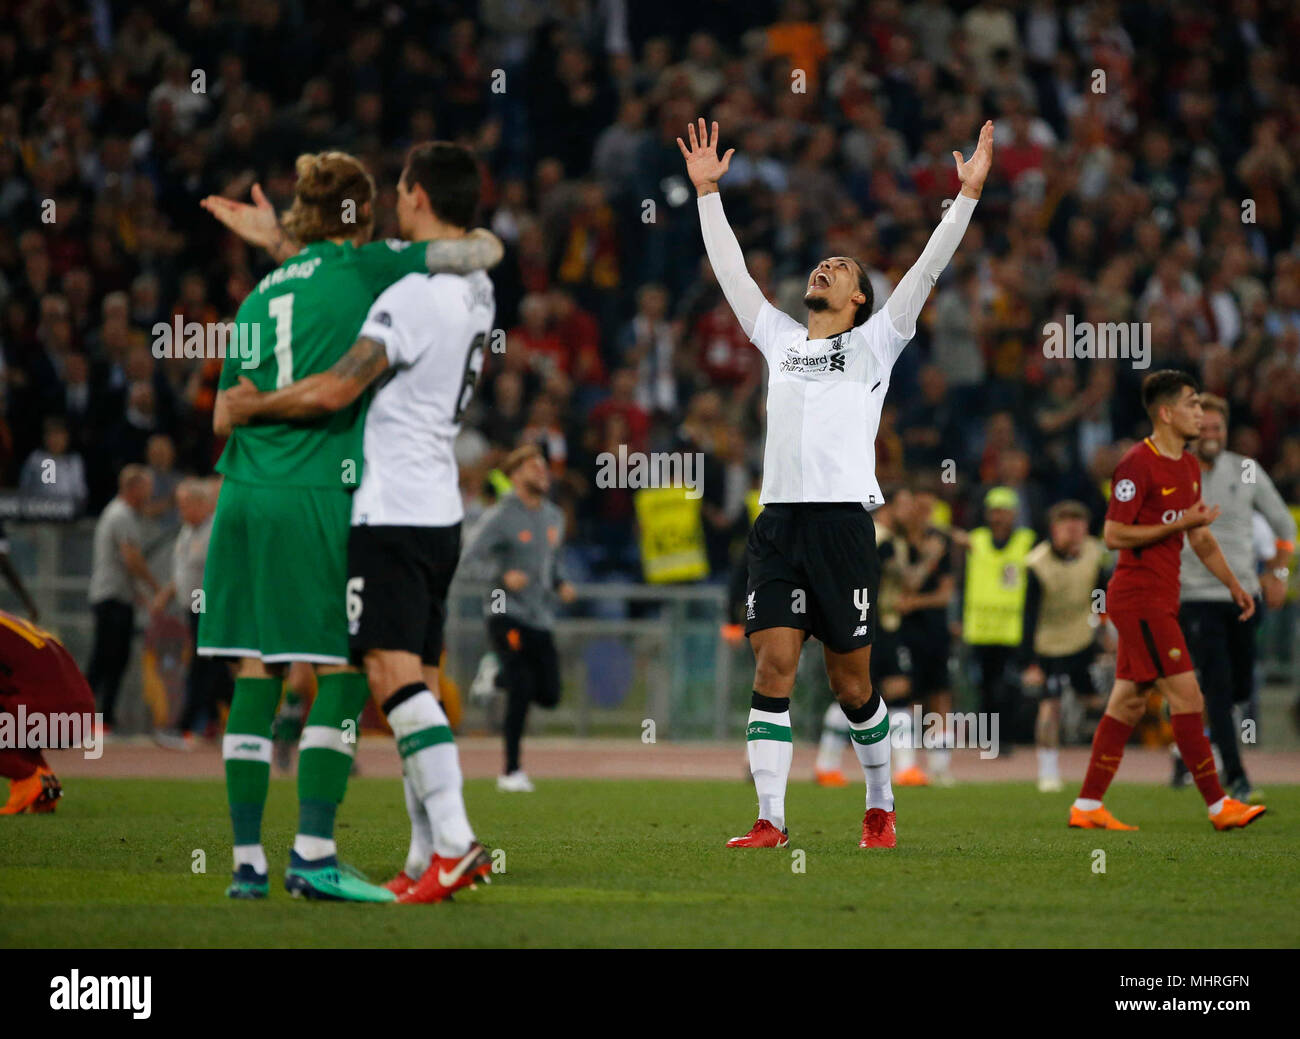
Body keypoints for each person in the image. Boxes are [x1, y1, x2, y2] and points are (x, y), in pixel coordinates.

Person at [198, 149, 504, 901]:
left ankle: (246, 865)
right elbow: (479, 247)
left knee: (254, 671)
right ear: (364, 215)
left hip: (239, 492)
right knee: (346, 671)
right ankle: (315, 851)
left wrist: (280, 244)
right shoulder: (387, 274)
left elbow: (220, 411)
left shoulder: (255, 296)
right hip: (329, 494)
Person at [679, 117, 993, 849]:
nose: (824, 268)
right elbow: (732, 273)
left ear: (860, 299)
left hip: (846, 526)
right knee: (775, 661)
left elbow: (928, 267)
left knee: (854, 686)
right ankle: (770, 819)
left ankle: (880, 800)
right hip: (779, 524)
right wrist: (706, 194)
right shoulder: (780, 339)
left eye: (840, 268)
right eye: (821, 264)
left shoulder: (877, 341)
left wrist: (967, 197)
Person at [1069, 371, 1266, 832]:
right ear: (1166, 412)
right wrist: (1177, 525)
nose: (1201, 413)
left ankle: (1087, 804)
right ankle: (1220, 806)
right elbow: (1113, 534)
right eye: (1193, 403)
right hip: (1139, 599)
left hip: (1162, 596)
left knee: (1128, 703)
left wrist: (1234, 584)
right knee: (1188, 694)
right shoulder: (1138, 462)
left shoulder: (1188, 466)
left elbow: (1199, 536)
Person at [1173, 395, 1295, 801]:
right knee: (1220, 685)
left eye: (1216, 429)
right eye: (1202, 428)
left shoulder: (1245, 469)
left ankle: (1189, 750)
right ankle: (1237, 776)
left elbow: (1283, 526)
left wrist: (1277, 574)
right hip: (1195, 594)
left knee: (1240, 686)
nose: (1210, 435)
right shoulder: (1174, 470)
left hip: (1244, 593)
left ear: (1226, 431)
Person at [461, 444, 576, 793]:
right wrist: (500, 576)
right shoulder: (499, 517)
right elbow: (468, 560)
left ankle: (495, 676)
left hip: (539, 616)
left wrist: (559, 583)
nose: (542, 471)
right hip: (504, 613)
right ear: (514, 475)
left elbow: (549, 562)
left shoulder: (553, 516)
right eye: (533, 466)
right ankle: (511, 771)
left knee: (550, 694)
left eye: (543, 466)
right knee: (523, 686)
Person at [1020, 501, 1108, 792]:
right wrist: (1030, 661)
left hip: (1084, 639)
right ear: (1053, 529)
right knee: (1051, 705)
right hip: (1050, 643)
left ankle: (1107, 764)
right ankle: (1047, 770)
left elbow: (1102, 593)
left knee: (1099, 703)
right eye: (1065, 524)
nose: (1073, 530)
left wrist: (1104, 628)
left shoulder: (1095, 553)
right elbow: (1029, 615)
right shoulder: (1037, 563)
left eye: (1078, 523)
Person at [150, 478, 231, 745]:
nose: (181, 510)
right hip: (194, 608)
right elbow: (185, 571)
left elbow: (223, 573)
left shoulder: (216, 529)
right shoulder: (188, 530)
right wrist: (166, 594)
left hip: (211, 608)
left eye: (186, 505)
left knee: (201, 666)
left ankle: (185, 727)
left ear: (202, 504)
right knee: (214, 669)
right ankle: (212, 722)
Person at [0, 610, 96, 814]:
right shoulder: (8, 620)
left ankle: (27, 777)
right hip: (82, 712)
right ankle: (46, 787)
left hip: (48, 711)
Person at [86, 464, 160, 730]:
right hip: (111, 597)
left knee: (114, 658)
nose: (150, 494)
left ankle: (103, 717)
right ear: (134, 488)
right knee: (107, 657)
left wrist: (139, 594)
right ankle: (85, 715)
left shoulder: (122, 514)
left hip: (118, 596)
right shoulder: (121, 515)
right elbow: (132, 558)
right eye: (147, 488)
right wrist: (154, 587)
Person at [962, 486, 1036, 746]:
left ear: (1014, 514)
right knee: (982, 690)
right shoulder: (976, 540)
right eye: (994, 511)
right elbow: (962, 581)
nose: (999, 517)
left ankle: (1005, 738)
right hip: (979, 628)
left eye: (1004, 511)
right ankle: (986, 739)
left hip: (1011, 629)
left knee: (1007, 688)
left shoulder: (1028, 542)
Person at [894, 484, 957, 786]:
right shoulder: (896, 543)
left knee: (940, 695)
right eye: (918, 507)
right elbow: (904, 587)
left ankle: (940, 766)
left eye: (928, 508)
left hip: (934, 628)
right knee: (905, 694)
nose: (924, 514)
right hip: (903, 631)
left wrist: (914, 603)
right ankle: (906, 765)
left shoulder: (941, 540)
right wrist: (928, 560)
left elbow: (944, 595)